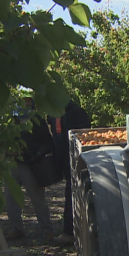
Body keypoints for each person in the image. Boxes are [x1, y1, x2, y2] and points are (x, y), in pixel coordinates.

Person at [4, 97, 56, 241]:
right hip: (12, 163)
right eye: (23, 100)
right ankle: (16, 228)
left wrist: (38, 154)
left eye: (28, 101)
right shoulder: (11, 119)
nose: (26, 103)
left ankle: (46, 229)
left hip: (31, 164)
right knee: (11, 198)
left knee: (37, 198)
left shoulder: (36, 119)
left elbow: (47, 141)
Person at [48, 99, 91, 245]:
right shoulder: (54, 115)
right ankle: (70, 230)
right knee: (70, 193)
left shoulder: (75, 113)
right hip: (63, 159)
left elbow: (83, 135)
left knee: (73, 194)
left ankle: (71, 232)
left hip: (75, 159)